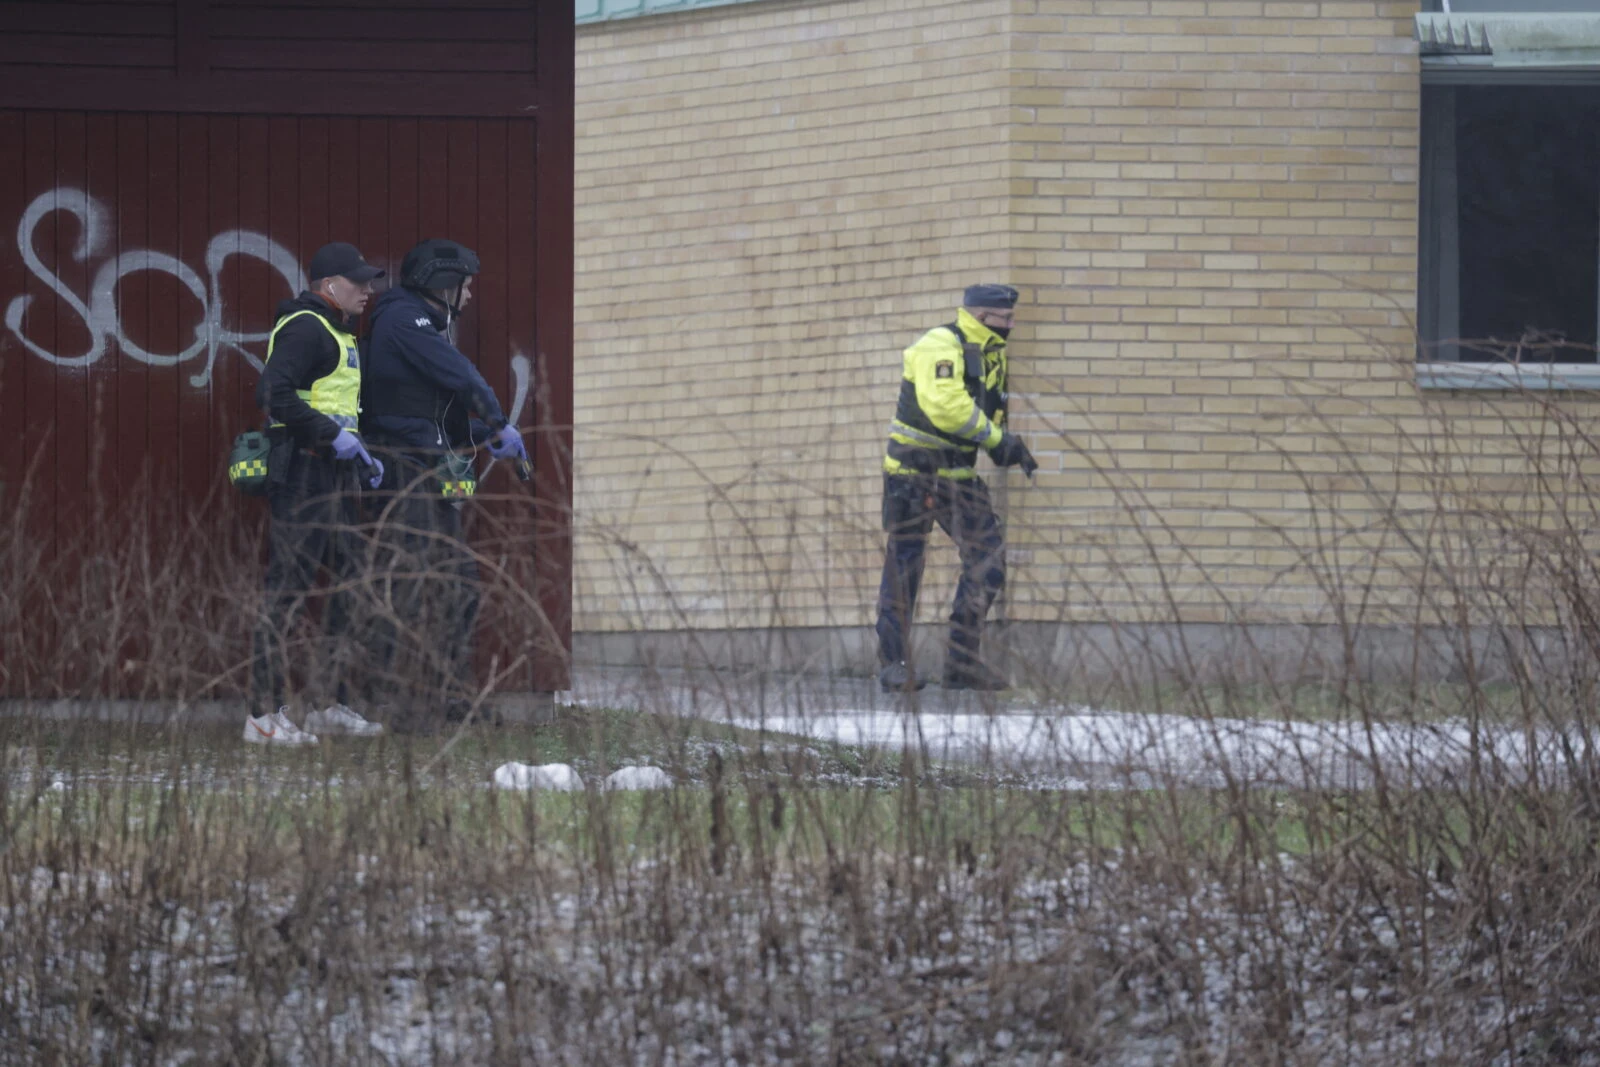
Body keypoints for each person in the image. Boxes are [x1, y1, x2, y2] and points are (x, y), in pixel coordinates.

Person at [359, 238, 527, 730]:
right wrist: (497, 419)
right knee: (412, 586)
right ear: (442, 284)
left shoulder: (422, 326)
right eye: (465, 286)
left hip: (426, 465)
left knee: (457, 586)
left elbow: (434, 415)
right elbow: (461, 377)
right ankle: (401, 703)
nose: (470, 296)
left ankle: (453, 697)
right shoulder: (402, 320)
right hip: (404, 470)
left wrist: (482, 435)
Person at [246, 242, 388, 744]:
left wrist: (361, 453)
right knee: (286, 592)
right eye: (359, 282)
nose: (368, 290)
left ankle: (330, 702)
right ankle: (262, 718)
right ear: (329, 286)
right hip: (303, 475)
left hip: (333, 476)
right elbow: (273, 394)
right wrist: (332, 437)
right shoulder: (307, 327)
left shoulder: (337, 331)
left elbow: (335, 406)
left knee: (350, 584)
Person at [875, 283, 1038, 693]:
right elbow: (946, 407)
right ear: (983, 317)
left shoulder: (990, 356)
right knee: (905, 567)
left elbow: (987, 410)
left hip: (959, 476)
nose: (1012, 324)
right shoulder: (940, 344)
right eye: (1006, 318)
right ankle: (893, 665)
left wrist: (1005, 444)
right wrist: (998, 441)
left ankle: (961, 664)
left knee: (988, 562)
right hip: (913, 474)